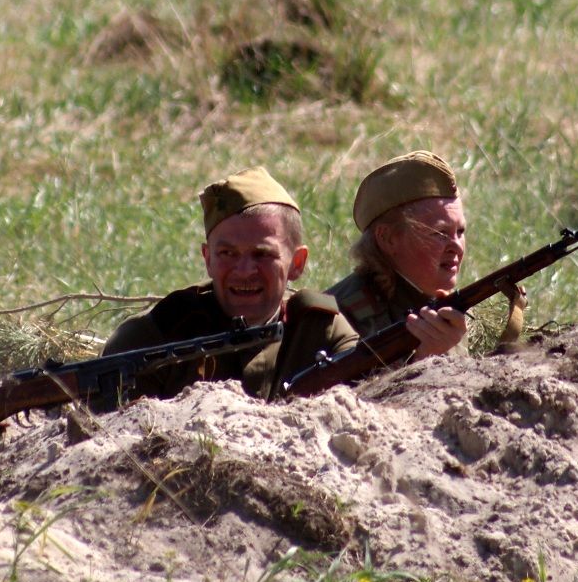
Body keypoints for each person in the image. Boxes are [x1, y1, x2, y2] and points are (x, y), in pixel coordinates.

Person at [102, 166, 359, 400]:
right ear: (208, 259)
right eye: (228, 254)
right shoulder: (156, 336)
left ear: (297, 262)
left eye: (262, 254)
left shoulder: (321, 330)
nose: (244, 271)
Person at [326, 150, 475, 360]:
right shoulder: (340, 317)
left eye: (460, 232)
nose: (456, 246)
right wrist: (421, 360)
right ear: (388, 238)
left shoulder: (447, 304)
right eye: (440, 233)